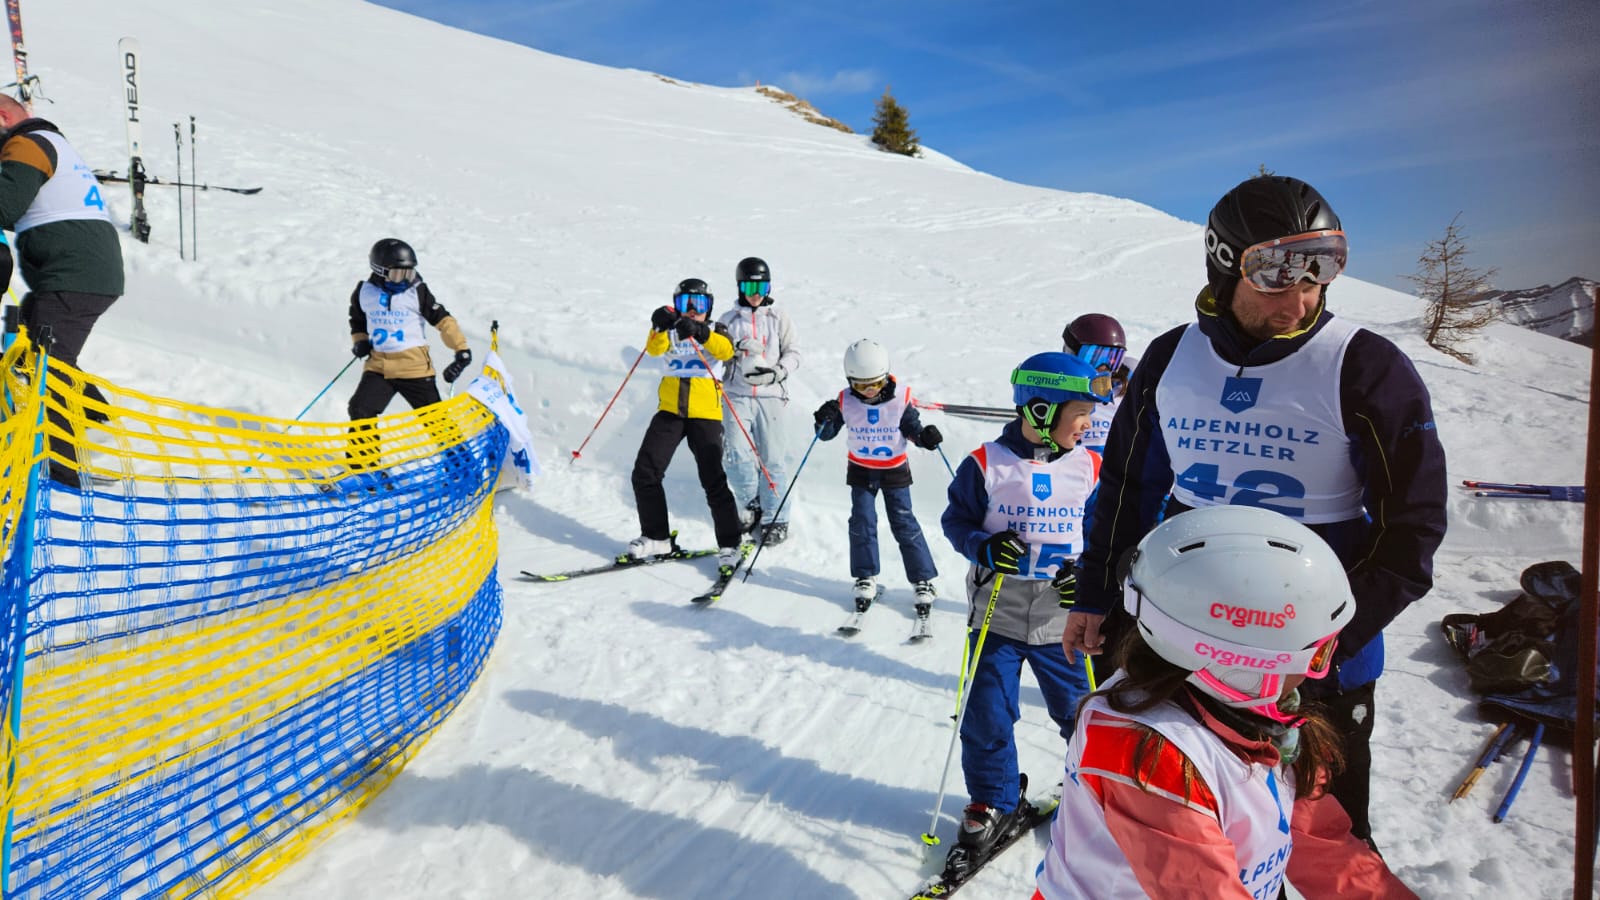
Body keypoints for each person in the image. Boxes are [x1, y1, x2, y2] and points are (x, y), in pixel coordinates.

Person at [1063, 175, 1448, 845]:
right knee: (1188, 839)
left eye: (1320, 270)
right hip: (1180, 650)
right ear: (1224, 264)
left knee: (1325, 849)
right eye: (1275, 276)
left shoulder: (1365, 366)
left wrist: (1326, 646)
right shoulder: (1171, 358)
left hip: (1314, 666)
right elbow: (1126, 488)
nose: (1300, 299)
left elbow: (1411, 531)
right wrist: (1097, 595)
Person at [1036, 505, 1417, 899]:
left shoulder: (1268, 720)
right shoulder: (1143, 752)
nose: (1316, 671)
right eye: (1318, 654)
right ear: (1242, 663)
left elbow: (1325, 850)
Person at [938, 351, 1109, 862]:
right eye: (1080, 413)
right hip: (999, 613)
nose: (1088, 424)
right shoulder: (986, 463)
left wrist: (1090, 578)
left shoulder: (1091, 467)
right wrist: (984, 547)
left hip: (1064, 619)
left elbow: (1104, 535)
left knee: (1080, 712)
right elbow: (956, 521)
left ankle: (1100, 793)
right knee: (987, 712)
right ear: (1040, 410)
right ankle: (994, 798)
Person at [0, 95, 125, 486]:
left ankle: (63, 467)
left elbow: (4, 207)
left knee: (47, 364)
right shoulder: (49, 143)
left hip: (74, 275)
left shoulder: (26, 145)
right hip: (83, 272)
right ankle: (95, 417)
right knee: (30, 346)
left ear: (3, 117)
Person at [812, 339, 939, 616]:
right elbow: (825, 435)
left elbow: (913, 430)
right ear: (850, 381)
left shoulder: (900, 400)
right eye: (861, 386)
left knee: (903, 522)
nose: (869, 391)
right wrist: (823, 419)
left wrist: (925, 438)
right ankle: (865, 576)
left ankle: (922, 580)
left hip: (894, 471)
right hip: (861, 471)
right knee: (862, 521)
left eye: (876, 384)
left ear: (886, 376)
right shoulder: (845, 401)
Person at [629, 278, 745, 572]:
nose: (693, 310)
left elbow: (726, 351)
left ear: (710, 307)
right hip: (670, 412)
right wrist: (658, 326)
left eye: (700, 304)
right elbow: (654, 349)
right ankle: (657, 537)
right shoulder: (672, 331)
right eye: (685, 304)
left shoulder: (717, 329)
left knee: (713, 480)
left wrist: (701, 332)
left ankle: (730, 544)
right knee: (645, 472)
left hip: (705, 415)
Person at [345, 238, 472, 471]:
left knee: (435, 419)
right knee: (360, 409)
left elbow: (444, 321)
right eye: (397, 274)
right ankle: (365, 470)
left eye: (409, 272)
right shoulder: (364, 292)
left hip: (414, 367)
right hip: (379, 367)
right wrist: (360, 341)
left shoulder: (417, 291)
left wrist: (461, 349)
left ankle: (463, 467)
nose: (404, 279)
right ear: (380, 272)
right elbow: (357, 319)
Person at [717, 256, 801, 544]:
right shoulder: (728, 320)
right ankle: (751, 503)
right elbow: (716, 352)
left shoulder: (779, 318)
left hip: (770, 395)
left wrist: (777, 373)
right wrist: (735, 347)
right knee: (735, 454)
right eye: (749, 287)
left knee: (773, 458)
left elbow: (794, 352)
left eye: (761, 287)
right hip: (737, 394)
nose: (755, 293)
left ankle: (776, 518)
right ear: (740, 287)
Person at [1061, 313, 1135, 455]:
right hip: (1073, 464)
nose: (1103, 366)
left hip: (1116, 464)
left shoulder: (1129, 386)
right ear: (1071, 352)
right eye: (1094, 356)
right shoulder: (1054, 388)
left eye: (1113, 358)